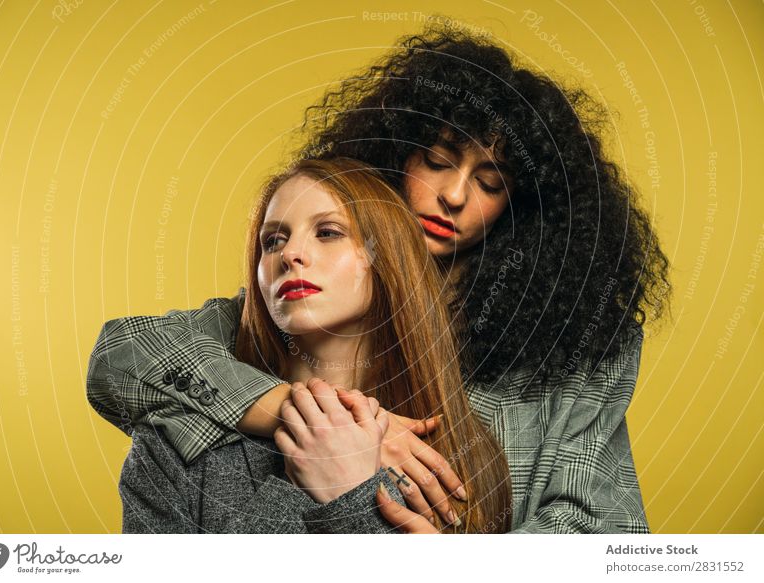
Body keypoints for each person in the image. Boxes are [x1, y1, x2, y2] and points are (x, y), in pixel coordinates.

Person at [88, 22, 670, 533]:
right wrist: (317, 415)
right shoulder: (303, 305)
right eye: (437, 162)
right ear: (392, 153)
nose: (454, 195)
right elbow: (122, 356)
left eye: (491, 181)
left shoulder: (576, 354)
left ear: (522, 208)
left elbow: (606, 537)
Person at [115, 157, 512, 533]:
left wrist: (350, 492)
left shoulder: (466, 452)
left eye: (328, 232)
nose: (290, 254)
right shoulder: (171, 447)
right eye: (272, 240)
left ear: (385, 257)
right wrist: (315, 485)